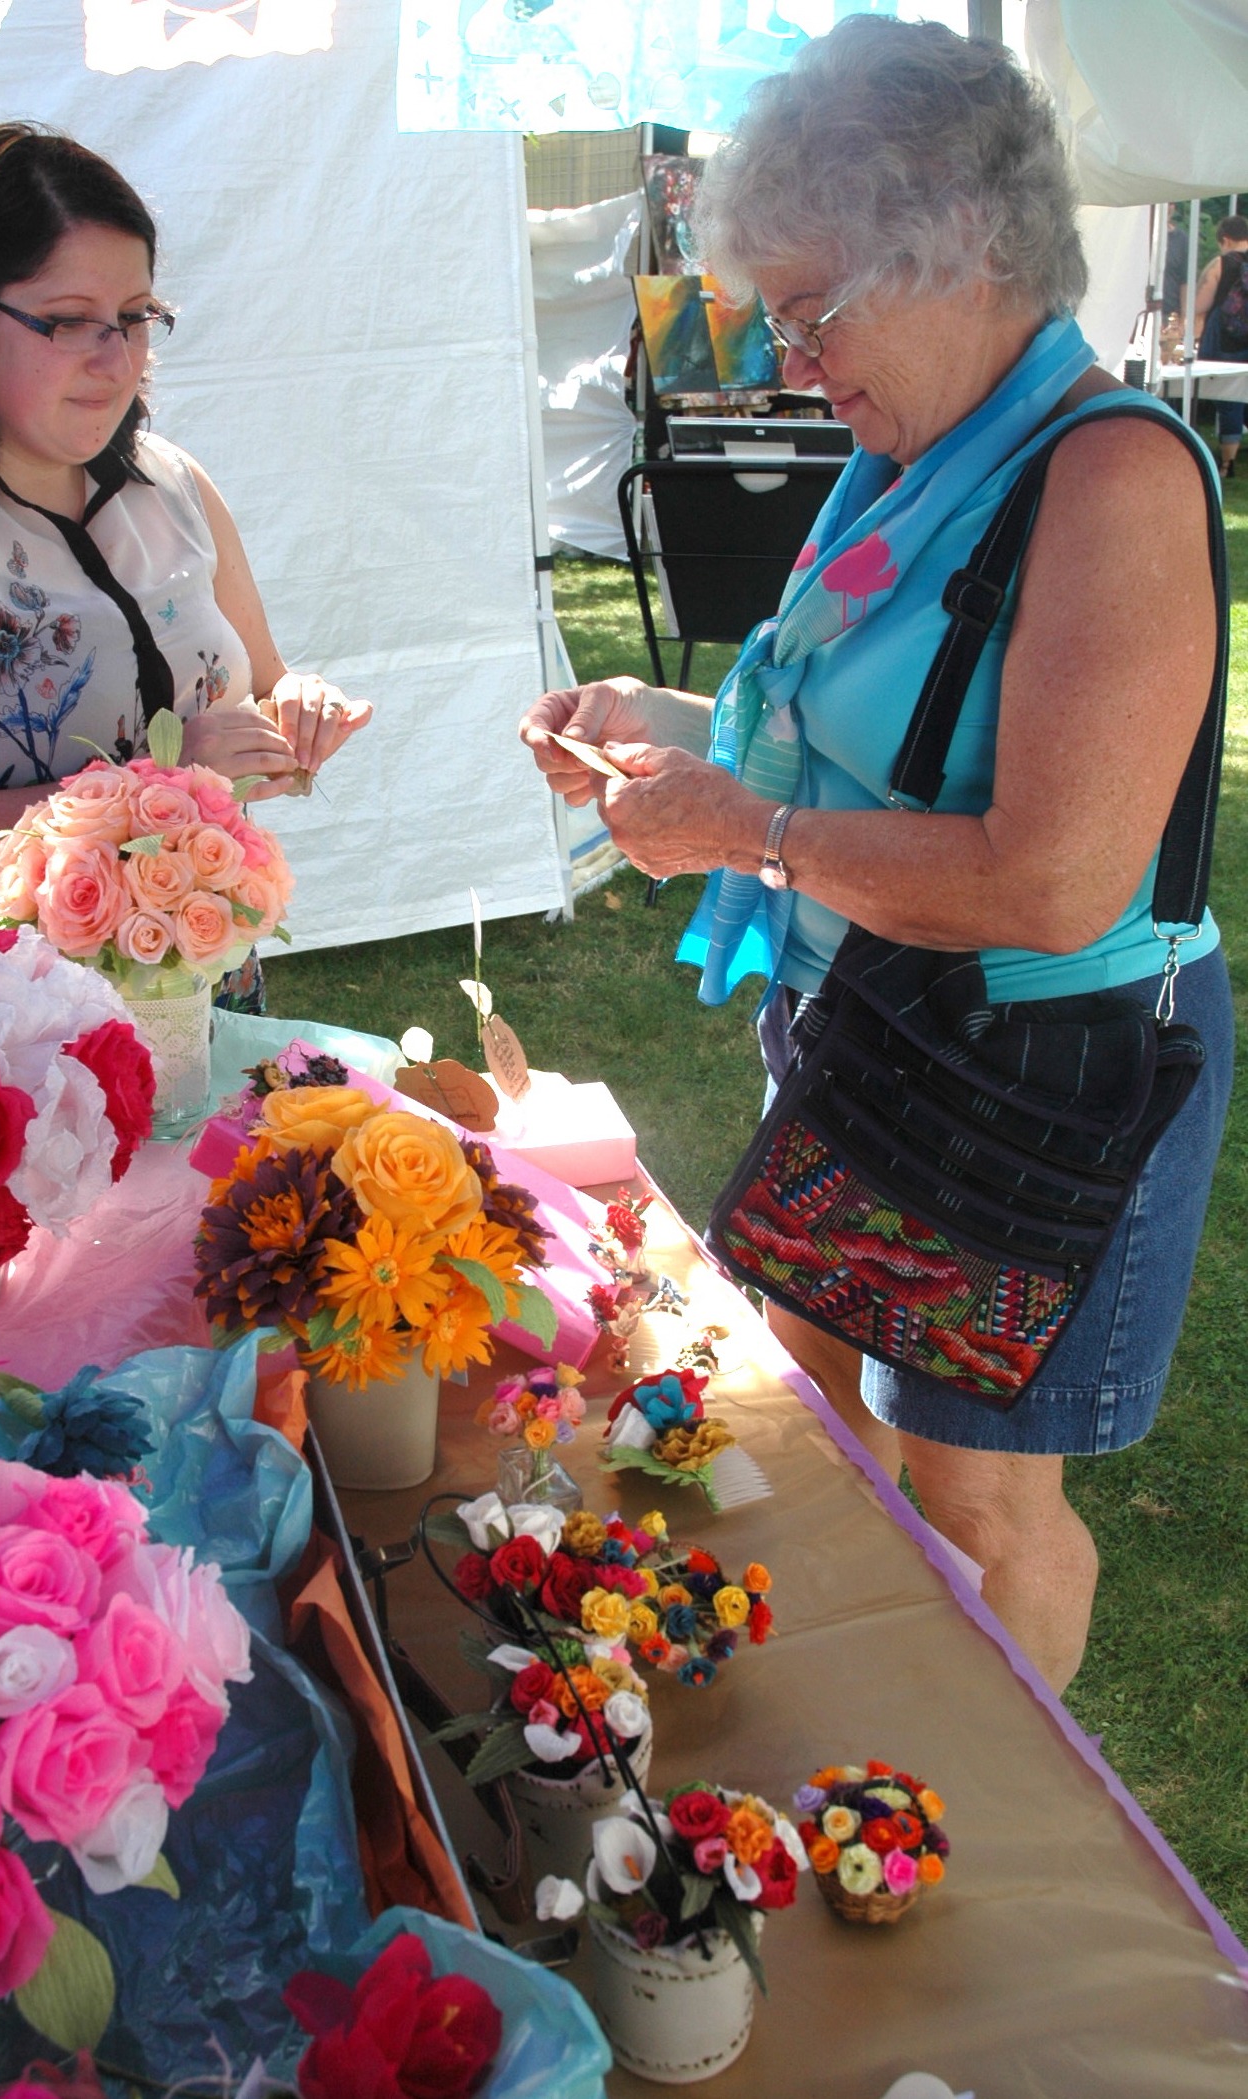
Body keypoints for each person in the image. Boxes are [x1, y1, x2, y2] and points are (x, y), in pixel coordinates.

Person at [521, 18, 1231, 1694]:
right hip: (877, 1021)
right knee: (815, 1401)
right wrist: (672, 723)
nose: (781, 357)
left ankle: (992, 1846)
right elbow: (858, 739)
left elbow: (1050, 879)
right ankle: (849, 1720)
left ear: (964, 246)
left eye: (805, 304)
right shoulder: (909, 456)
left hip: (1028, 1068)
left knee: (974, 1495)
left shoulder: (1106, 476)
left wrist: (745, 834)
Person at [0, 123, 370, 1002]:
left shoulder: (171, 484)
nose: (116, 359)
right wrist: (160, 790)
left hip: (197, 987)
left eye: (135, 318)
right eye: (68, 322)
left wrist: (295, 715)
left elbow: (256, 686)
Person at [1186, 212, 1248, 477]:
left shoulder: (1221, 265)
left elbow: (1199, 304)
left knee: (1228, 398)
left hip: (1226, 342)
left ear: (1225, 239)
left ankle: (1227, 464)